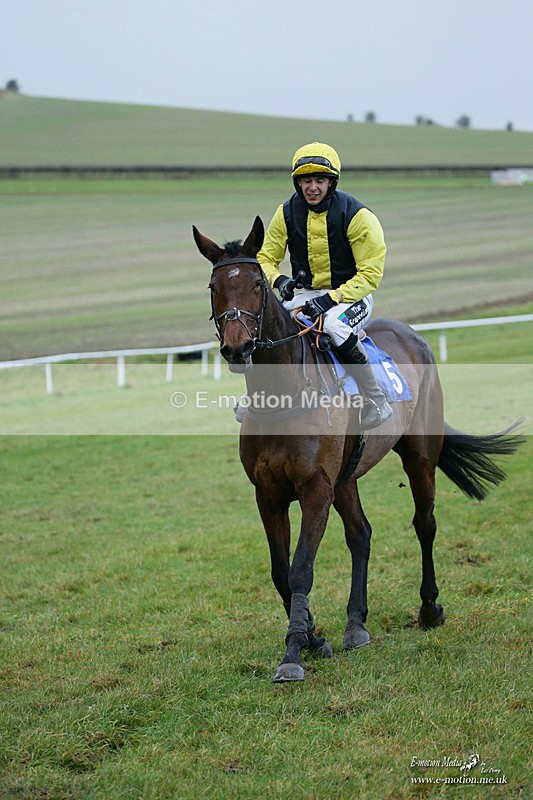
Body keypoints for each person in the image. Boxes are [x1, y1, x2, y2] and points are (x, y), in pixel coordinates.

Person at [257, 141, 393, 429]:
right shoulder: (284, 213)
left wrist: (333, 298)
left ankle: (376, 400)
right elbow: (265, 258)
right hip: (305, 295)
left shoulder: (358, 216)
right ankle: (258, 395)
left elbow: (370, 273)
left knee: (333, 326)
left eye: (320, 180)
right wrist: (279, 280)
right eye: (307, 180)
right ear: (298, 183)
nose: (313, 187)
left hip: (351, 296)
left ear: (332, 183)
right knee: (267, 323)